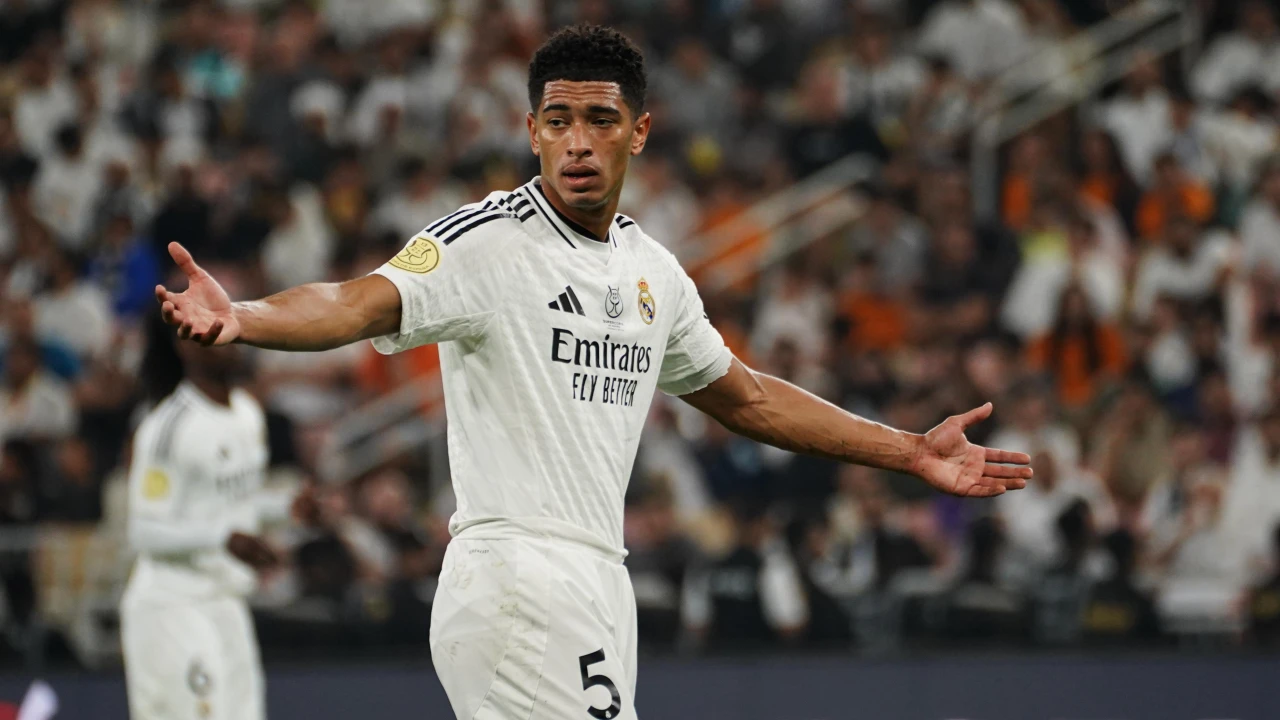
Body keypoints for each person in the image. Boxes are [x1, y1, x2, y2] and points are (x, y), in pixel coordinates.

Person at [153, 26, 1033, 720]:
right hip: (515, 574)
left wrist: (906, 450)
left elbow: (751, 399)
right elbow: (354, 302)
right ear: (531, 130)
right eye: (558, 120)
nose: (577, 142)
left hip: (597, 579)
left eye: (600, 121)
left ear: (639, 132)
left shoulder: (654, 275)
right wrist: (247, 318)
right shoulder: (488, 244)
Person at [119, 312, 279, 720]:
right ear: (185, 345)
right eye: (216, 329)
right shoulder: (167, 427)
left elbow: (235, 502)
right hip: (173, 605)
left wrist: (289, 507)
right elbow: (143, 531)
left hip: (227, 600)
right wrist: (223, 538)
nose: (231, 338)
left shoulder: (247, 413)